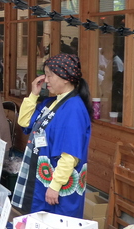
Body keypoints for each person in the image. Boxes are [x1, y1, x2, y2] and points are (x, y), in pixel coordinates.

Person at [12, 53, 92, 217]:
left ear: (65, 78)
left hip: (57, 186)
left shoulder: (73, 108)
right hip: (44, 180)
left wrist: (55, 185)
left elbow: (70, 154)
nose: (46, 80)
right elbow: (25, 123)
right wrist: (33, 94)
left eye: (50, 75)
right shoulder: (52, 102)